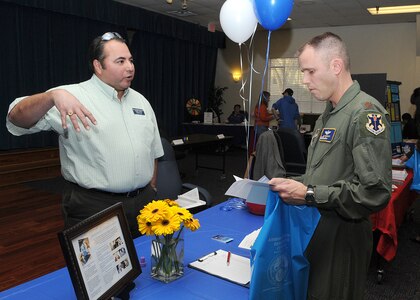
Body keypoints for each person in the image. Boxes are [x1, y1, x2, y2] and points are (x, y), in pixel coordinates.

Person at [268, 32, 391, 300]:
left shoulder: (364, 113)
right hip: (319, 230)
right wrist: (297, 183)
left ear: (335, 66)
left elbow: (375, 192)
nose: (304, 80)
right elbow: (326, 171)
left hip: (343, 239)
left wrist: (310, 193)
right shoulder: (331, 113)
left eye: (310, 71)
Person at [6, 32, 163, 238]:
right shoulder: (70, 96)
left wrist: (150, 189)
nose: (130, 67)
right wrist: (51, 97)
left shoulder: (141, 101)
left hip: (144, 203)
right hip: (94, 206)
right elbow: (15, 118)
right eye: (120, 61)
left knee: (148, 264)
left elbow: (152, 151)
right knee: (103, 270)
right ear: (98, 66)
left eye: (131, 60)